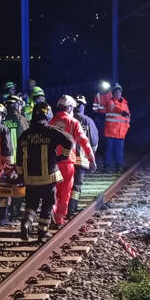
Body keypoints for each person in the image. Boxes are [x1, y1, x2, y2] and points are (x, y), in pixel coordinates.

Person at [17, 102, 73, 242]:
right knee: (48, 204)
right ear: (47, 115)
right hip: (48, 177)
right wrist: (63, 156)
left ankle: (26, 222)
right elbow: (69, 140)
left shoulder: (25, 135)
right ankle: (42, 234)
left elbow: (19, 158)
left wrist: (21, 175)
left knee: (31, 203)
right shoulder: (51, 131)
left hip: (30, 179)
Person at [49, 95, 96, 227]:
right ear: (69, 107)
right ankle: (58, 219)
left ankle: (51, 213)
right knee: (65, 193)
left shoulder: (51, 122)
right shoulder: (74, 123)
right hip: (67, 163)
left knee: (53, 192)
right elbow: (84, 142)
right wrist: (91, 159)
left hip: (52, 164)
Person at [68, 95, 99, 216]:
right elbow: (94, 142)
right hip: (81, 159)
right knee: (77, 185)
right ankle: (71, 209)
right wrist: (91, 155)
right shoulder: (88, 121)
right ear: (83, 106)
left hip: (67, 159)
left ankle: (64, 208)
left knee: (66, 184)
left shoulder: (68, 119)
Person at [3, 95, 30, 220]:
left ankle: (2, 212)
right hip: (19, 159)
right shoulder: (21, 119)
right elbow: (28, 138)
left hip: (5, 160)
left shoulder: (2, 120)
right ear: (17, 105)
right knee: (20, 183)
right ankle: (15, 209)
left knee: (5, 185)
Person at [93, 83, 130, 173]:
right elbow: (113, 108)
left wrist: (126, 128)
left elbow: (128, 117)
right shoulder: (110, 102)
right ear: (113, 93)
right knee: (109, 150)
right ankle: (107, 167)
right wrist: (122, 112)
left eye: (119, 92)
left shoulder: (125, 103)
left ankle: (119, 167)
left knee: (119, 151)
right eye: (116, 92)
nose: (118, 94)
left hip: (121, 133)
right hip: (111, 132)